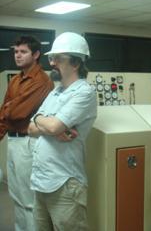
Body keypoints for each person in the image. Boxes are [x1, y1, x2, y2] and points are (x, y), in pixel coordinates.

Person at [27, 32, 97, 231]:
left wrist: (44, 122)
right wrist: (44, 123)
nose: (52, 63)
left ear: (75, 63)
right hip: (41, 181)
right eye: (51, 58)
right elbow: (30, 128)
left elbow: (53, 127)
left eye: (58, 58)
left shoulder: (84, 92)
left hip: (65, 184)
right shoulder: (55, 92)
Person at [0, 35, 54, 231]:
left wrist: (9, 107)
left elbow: (16, 112)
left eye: (23, 52)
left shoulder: (42, 81)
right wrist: (9, 108)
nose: (18, 55)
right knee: (16, 197)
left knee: (29, 201)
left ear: (36, 54)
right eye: (16, 52)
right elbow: (4, 114)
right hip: (13, 143)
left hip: (28, 144)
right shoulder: (15, 80)